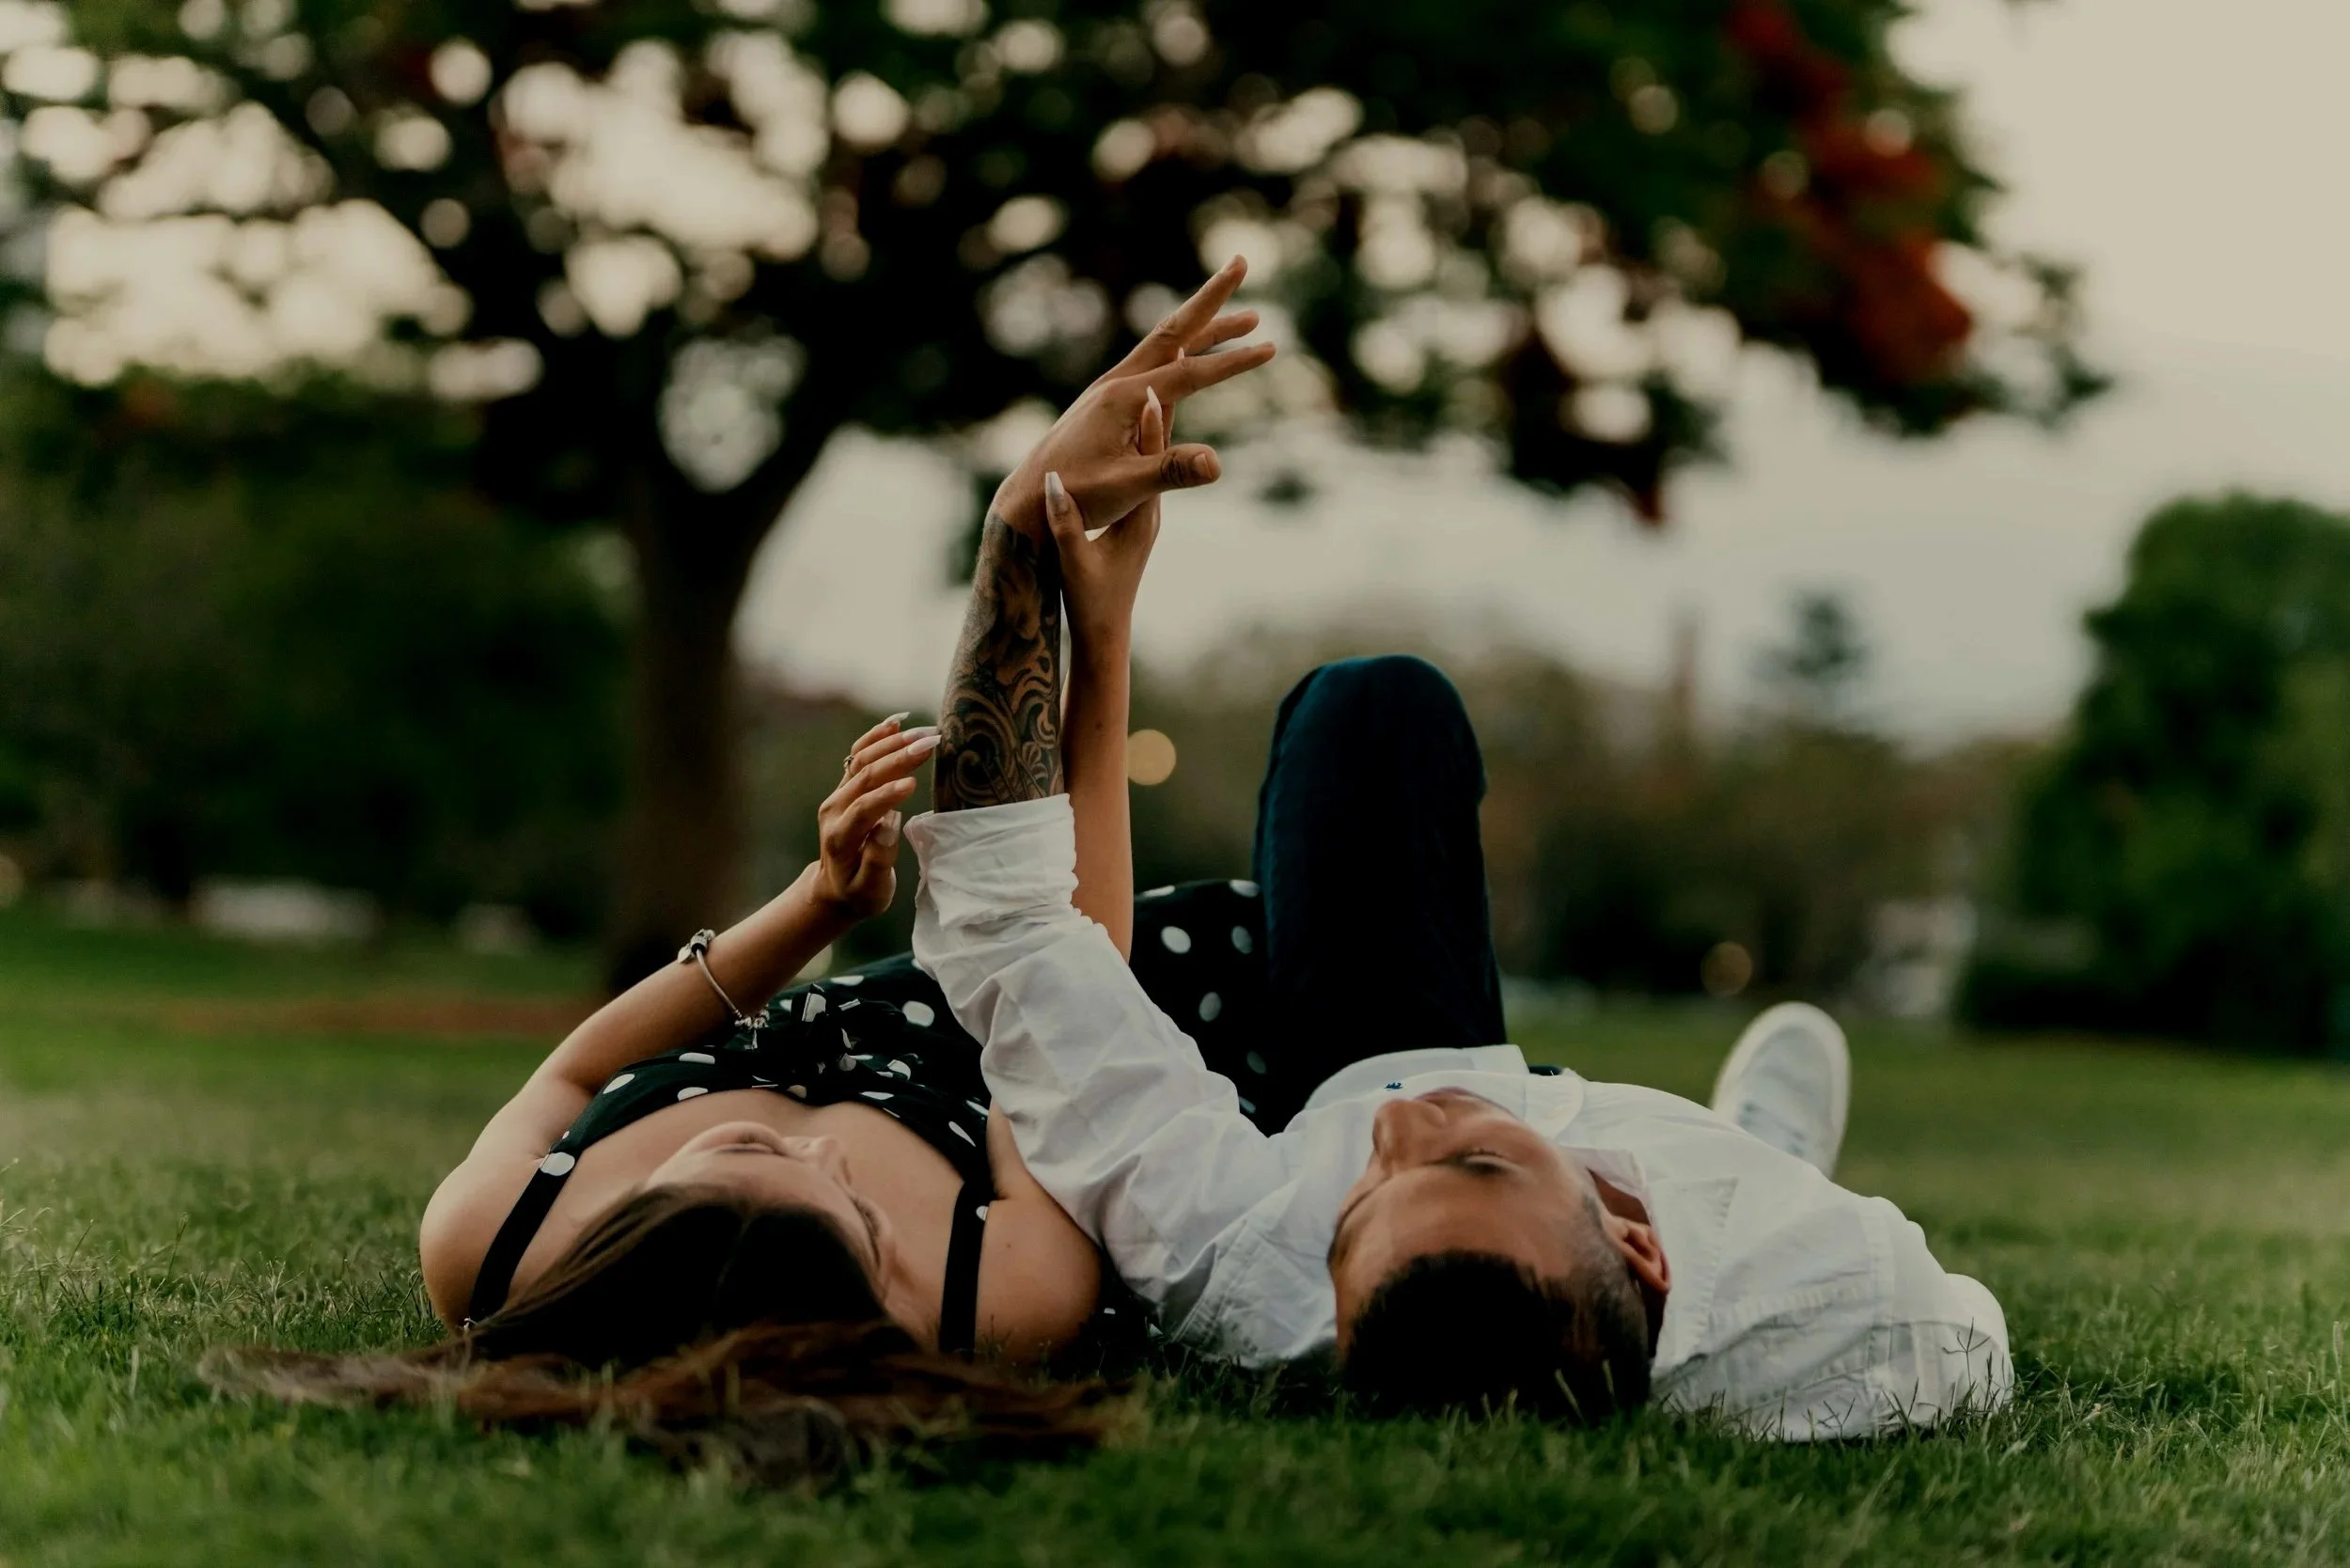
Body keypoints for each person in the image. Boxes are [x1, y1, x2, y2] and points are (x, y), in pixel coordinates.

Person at [210, 261, 1283, 1480]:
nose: (818, 1147)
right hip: (1073, 1019)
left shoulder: (494, 1244)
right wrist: (1105, 635)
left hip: (912, 986)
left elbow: (577, 1063)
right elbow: (1073, 1004)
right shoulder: (1001, 1294)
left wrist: (816, 908)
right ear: (882, 1292)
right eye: (857, 1214)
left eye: (740, 1154)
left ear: (627, 1236)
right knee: (1267, 940)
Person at [899, 443, 2015, 1435]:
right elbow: (1976, 1342)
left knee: (1372, 713)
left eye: (1358, 1203)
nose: (1396, 1131)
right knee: (1756, 1180)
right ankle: (1761, 1146)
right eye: (1473, 1161)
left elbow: (1012, 934)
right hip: (1734, 1207)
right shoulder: (1860, 1301)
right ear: (1640, 1249)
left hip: (1386, 1041)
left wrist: (1014, 541)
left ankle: (1698, 1144)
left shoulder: (1252, 1260)